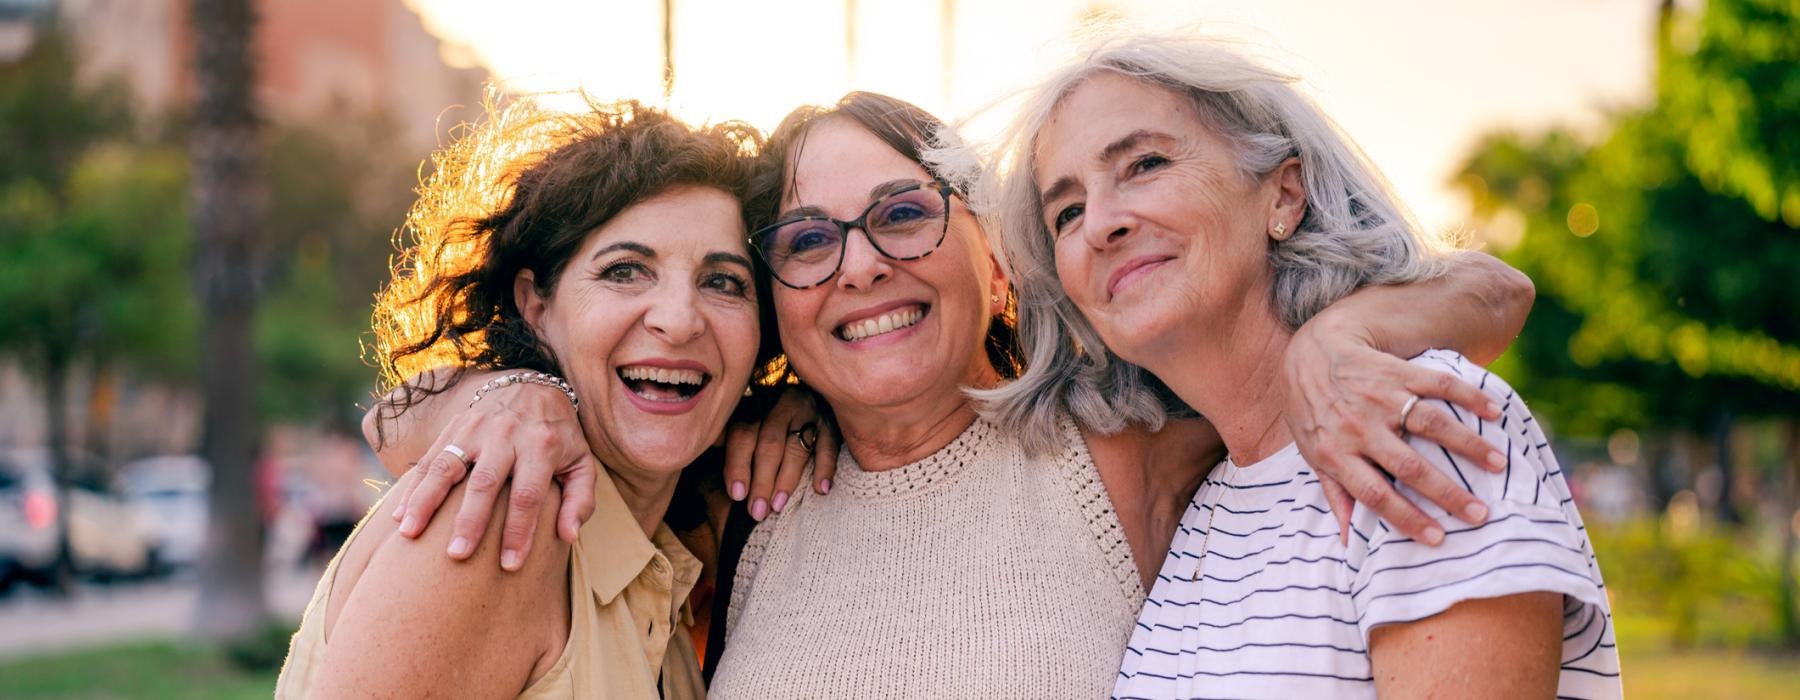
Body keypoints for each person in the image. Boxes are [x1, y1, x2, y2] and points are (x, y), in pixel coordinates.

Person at [378, 89, 1535, 696]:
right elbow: (392, 420)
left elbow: (1491, 289)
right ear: (778, 303)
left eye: (902, 214)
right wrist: (507, 397)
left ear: (998, 254)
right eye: (807, 240)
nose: (861, 266)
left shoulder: (1128, 449)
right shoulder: (736, 492)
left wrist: (1345, 336)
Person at [992, 34, 1620, 698]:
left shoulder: (1414, 426)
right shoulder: (1208, 499)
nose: (1100, 224)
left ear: (1285, 195)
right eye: (1067, 212)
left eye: (1145, 164)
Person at [275, 98, 772, 698]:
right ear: (536, 306)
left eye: (723, 282)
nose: (679, 319)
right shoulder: (503, 517)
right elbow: (389, 419)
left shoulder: (668, 560)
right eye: (624, 271)